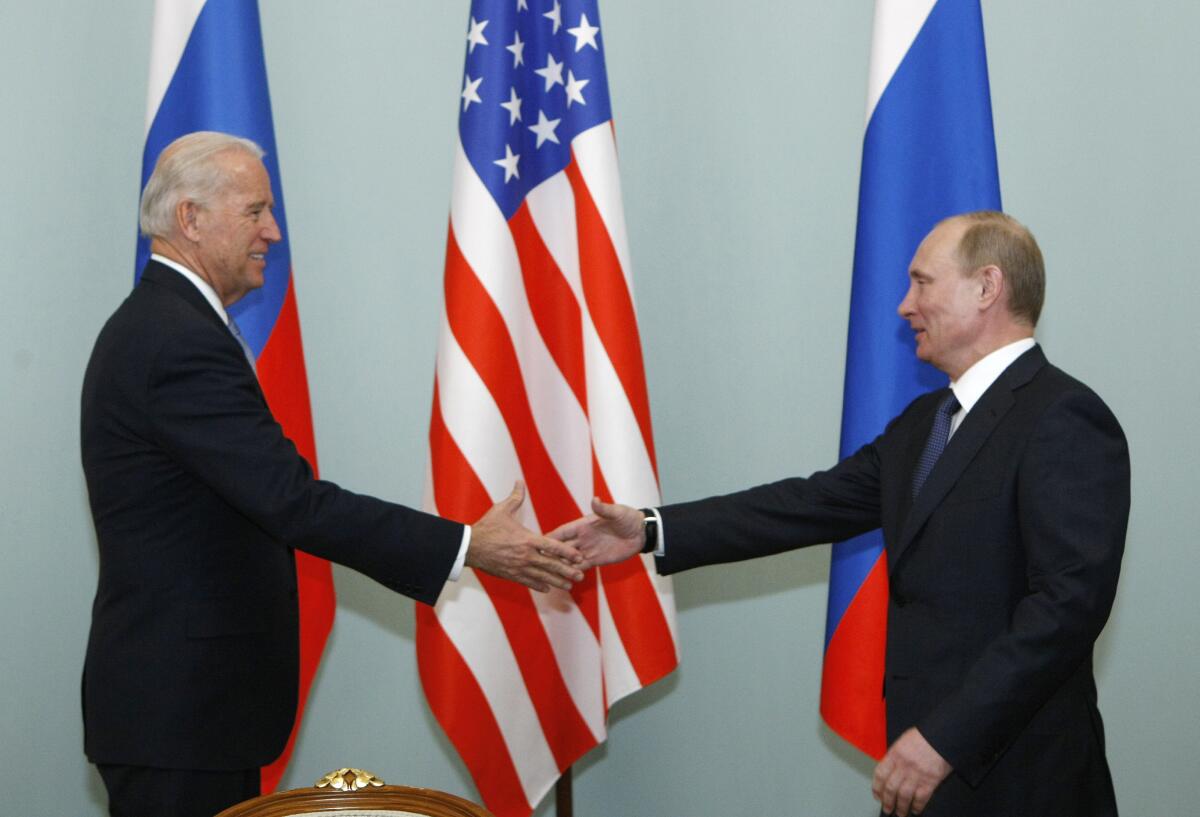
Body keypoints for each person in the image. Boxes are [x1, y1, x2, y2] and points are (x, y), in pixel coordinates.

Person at [552, 212, 1129, 817]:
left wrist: (946, 738)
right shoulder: (925, 423)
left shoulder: (1063, 418)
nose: (905, 306)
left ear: (987, 287)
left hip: (1021, 780)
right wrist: (650, 530)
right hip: (926, 774)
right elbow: (807, 504)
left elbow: (1066, 608)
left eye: (922, 283)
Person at [80, 131, 584, 817]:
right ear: (191, 219)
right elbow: (293, 501)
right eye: (256, 210)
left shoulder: (170, 326)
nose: (274, 231)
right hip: (179, 714)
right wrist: (467, 544)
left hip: (189, 711)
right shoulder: (175, 341)